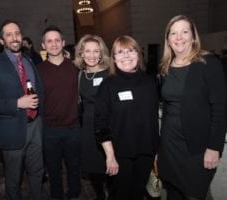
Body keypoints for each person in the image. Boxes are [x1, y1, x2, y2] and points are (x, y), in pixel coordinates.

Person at [157, 15, 226, 200]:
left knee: (194, 194)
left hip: (198, 148)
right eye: (173, 33)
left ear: (193, 36)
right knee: (173, 192)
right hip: (170, 144)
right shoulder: (165, 67)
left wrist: (214, 147)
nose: (179, 37)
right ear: (168, 39)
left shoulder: (208, 63)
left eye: (184, 32)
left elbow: (220, 109)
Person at [0, 20, 44, 200]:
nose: (14, 38)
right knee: (14, 179)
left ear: (21, 37)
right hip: (12, 131)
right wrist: (16, 103)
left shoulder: (29, 61)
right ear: (2, 40)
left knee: (37, 172)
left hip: (35, 127)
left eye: (17, 33)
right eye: (9, 34)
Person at [94, 35, 159, 200]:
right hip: (120, 154)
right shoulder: (107, 85)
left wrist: (156, 152)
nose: (126, 56)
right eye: (120, 52)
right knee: (121, 194)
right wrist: (110, 156)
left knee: (138, 193)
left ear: (138, 54)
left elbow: (153, 119)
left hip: (146, 152)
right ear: (114, 59)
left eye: (130, 51)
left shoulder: (150, 82)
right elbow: (101, 123)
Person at [37, 25, 81, 200]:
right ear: (43, 45)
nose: (53, 44)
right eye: (49, 41)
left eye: (57, 40)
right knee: (53, 168)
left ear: (63, 43)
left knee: (74, 166)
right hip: (50, 130)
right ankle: (57, 195)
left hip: (74, 127)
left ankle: (75, 194)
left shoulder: (76, 68)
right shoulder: (37, 71)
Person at [74, 34, 111, 200]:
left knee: (110, 165)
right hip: (88, 127)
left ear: (101, 53)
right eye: (87, 51)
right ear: (81, 53)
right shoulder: (80, 75)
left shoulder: (109, 74)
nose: (92, 55)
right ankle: (100, 195)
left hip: (108, 126)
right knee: (94, 166)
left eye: (96, 51)